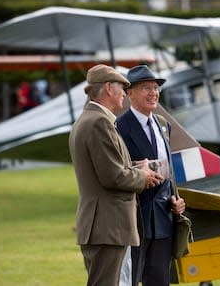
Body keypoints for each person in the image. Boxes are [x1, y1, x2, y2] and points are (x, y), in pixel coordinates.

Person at [69, 64, 164, 286]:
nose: (124, 94)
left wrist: (134, 168)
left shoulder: (90, 119)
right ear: (109, 89)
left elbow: (107, 167)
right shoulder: (99, 122)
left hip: (103, 226)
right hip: (107, 226)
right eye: (122, 88)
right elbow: (112, 177)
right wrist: (144, 177)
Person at [116, 65, 186, 286]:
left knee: (159, 281)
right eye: (146, 87)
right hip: (135, 220)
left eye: (156, 88)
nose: (153, 93)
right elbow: (118, 172)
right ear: (130, 93)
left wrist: (176, 199)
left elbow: (169, 170)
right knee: (130, 280)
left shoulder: (163, 125)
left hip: (164, 219)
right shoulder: (119, 127)